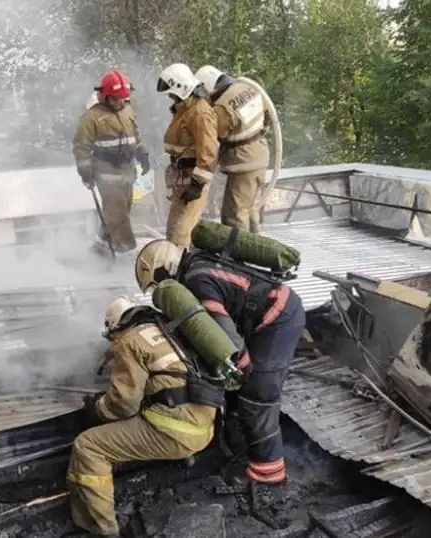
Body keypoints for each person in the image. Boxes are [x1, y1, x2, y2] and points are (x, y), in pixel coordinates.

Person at [133, 238, 306, 524]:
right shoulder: (199, 261)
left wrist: (242, 368)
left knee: (257, 398)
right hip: (271, 308)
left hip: (278, 319)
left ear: (165, 272)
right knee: (248, 392)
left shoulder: (197, 282)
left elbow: (227, 339)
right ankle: (247, 447)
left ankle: (269, 474)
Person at [66, 296, 220, 537]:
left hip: (175, 432)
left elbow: (123, 404)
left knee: (88, 447)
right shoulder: (166, 329)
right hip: (206, 427)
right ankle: (183, 459)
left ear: (114, 326)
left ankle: (101, 528)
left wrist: (96, 407)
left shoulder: (129, 341)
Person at [73, 70, 151, 254]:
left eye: (123, 99)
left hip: (127, 172)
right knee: (118, 217)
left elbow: (135, 135)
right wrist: (86, 172)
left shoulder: (127, 110)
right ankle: (124, 254)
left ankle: (100, 247)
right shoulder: (91, 118)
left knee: (121, 213)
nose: (120, 103)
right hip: (106, 175)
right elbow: (80, 147)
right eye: (116, 99)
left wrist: (142, 154)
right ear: (105, 96)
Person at [195, 65, 270, 233]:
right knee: (250, 209)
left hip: (243, 162)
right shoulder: (249, 87)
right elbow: (267, 117)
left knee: (234, 214)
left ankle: (238, 255)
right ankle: (255, 249)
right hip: (260, 155)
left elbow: (214, 137)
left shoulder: (222, 108)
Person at [155, 63, 219, 249]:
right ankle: (178, 268)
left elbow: (208, 153)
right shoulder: (185, 110)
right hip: (182, 178)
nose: (170, 97)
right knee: (175, 229)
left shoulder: (200, 113)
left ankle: (180, 271)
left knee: (179, 233)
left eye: (172, 94)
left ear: (181, 88)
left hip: (192, 180)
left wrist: (197, 185)